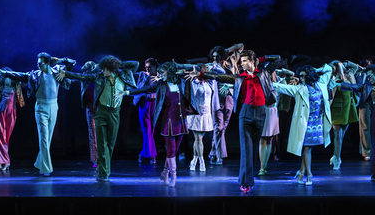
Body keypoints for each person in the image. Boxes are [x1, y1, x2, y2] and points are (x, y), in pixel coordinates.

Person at [187, 49, 276, 193]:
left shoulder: (263, 73)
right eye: (241, 61)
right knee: (246, 149)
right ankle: (246, 182)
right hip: (246, 114)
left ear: (252, 61)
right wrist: (202, 74)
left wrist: (259, 59)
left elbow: (277, 59)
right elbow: (219, 77)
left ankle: (248, 178)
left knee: (253, 150)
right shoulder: (240, 77)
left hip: (261, 113)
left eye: (245, 61)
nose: (242, 64)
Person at [0, 53, 76, 176]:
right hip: (41, 108)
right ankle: (46, 169)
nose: (38, 65)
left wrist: (58, 60)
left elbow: (72, 63)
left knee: (48, 140)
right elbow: (19, 75)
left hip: (53, 106)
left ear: (47, 63)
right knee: (43, 138)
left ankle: (40, 163)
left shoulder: (57, 71)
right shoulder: (35, 75)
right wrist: (3, 72)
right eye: (37, 63)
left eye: (41, 63)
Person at [116, 61, 198, 186]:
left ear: (170, 72)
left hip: (181, 121)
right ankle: (173, 176)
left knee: (174, 151)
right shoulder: (161, 85)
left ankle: (165, 171)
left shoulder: (181, 81)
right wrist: (127, 92)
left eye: (162, 72)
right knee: (171, 150)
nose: (159, 75)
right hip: (168, 122)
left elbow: (198, 68)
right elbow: (145, 89)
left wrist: (180, 66)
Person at [57, 55, 138, 182]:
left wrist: (116, 65)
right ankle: (103, 173)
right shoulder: (99, 76)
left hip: (114, 113)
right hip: (101, 112)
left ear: (110, 69)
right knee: (101, 144)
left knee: (110, 144)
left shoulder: (123, 75)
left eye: (104, 69)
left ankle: (102, 170)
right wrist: (66, 73)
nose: (102, 71)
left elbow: (135, 63)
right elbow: (82, 77)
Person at [328, 60, 360, 170]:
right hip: (337, 108)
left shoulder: (348, 75)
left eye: (334, 67)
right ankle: (337, 158)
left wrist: (344, 64)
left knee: (341, 135)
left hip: (348, 107)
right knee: (338, 134)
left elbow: (355, 68)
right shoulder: (331, 77)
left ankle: (336, 155)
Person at [133, 58, 159, 165]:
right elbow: (132, 72)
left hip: (155, 105)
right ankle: (152, 156)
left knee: (151, 130)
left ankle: (143, 153)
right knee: (146, 130)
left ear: (155, 67)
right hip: (145, 103)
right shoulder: (143, 75)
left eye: (150, 67)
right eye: (146, 67)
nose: (147, 69)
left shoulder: (160, 76)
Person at [79, 61, 99, 168]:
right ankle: (95, 159)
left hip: (100, 108)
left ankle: (102, 158)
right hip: (90, 108)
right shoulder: (84, 79)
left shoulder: (99, 78)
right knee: (93, 135)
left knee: (101, 134)